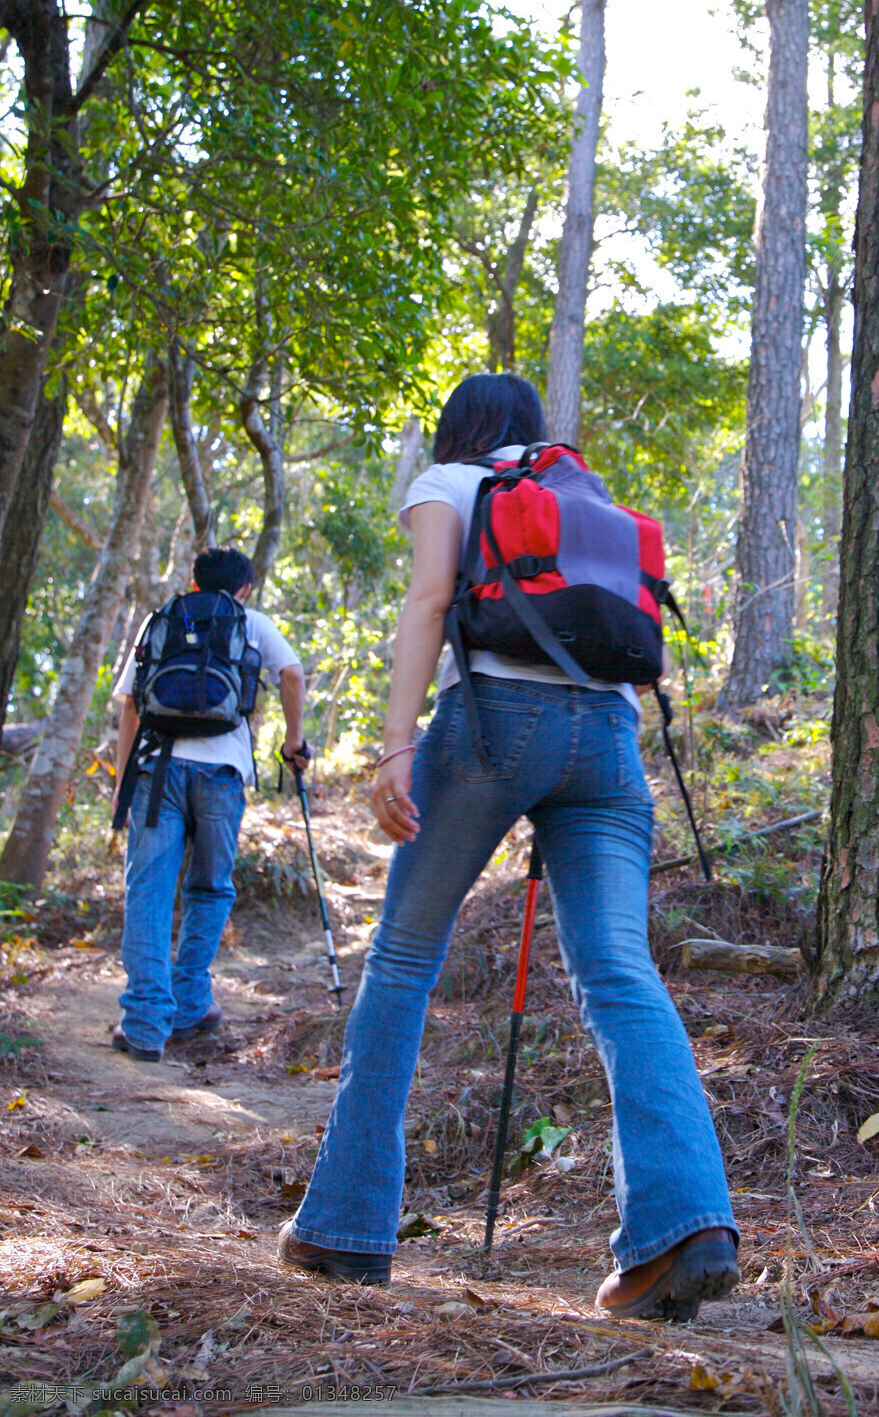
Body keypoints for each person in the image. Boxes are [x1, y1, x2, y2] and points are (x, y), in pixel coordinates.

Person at [279, 373, 739, 1321]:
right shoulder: (588, 498)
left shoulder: (450, 483)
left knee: (404, 959)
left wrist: (397, 743)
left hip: (491, 723)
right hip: (609, 739)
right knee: (620, 968)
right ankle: (686, 1225)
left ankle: (346, 1226)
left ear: (459, 430)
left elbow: (431, 602)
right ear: (536, 435)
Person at [110, 545, 309, 1063]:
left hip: (157, 771)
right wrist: (293, 741)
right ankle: (191, 1003)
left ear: (194, 582)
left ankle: (145, 1026)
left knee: (148, 891)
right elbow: (292, 674)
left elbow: (131, 707)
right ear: (244, 587)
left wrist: (121, 783)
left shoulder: (162, 618)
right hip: (222, 774)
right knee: (210, 889)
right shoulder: (252, 620)